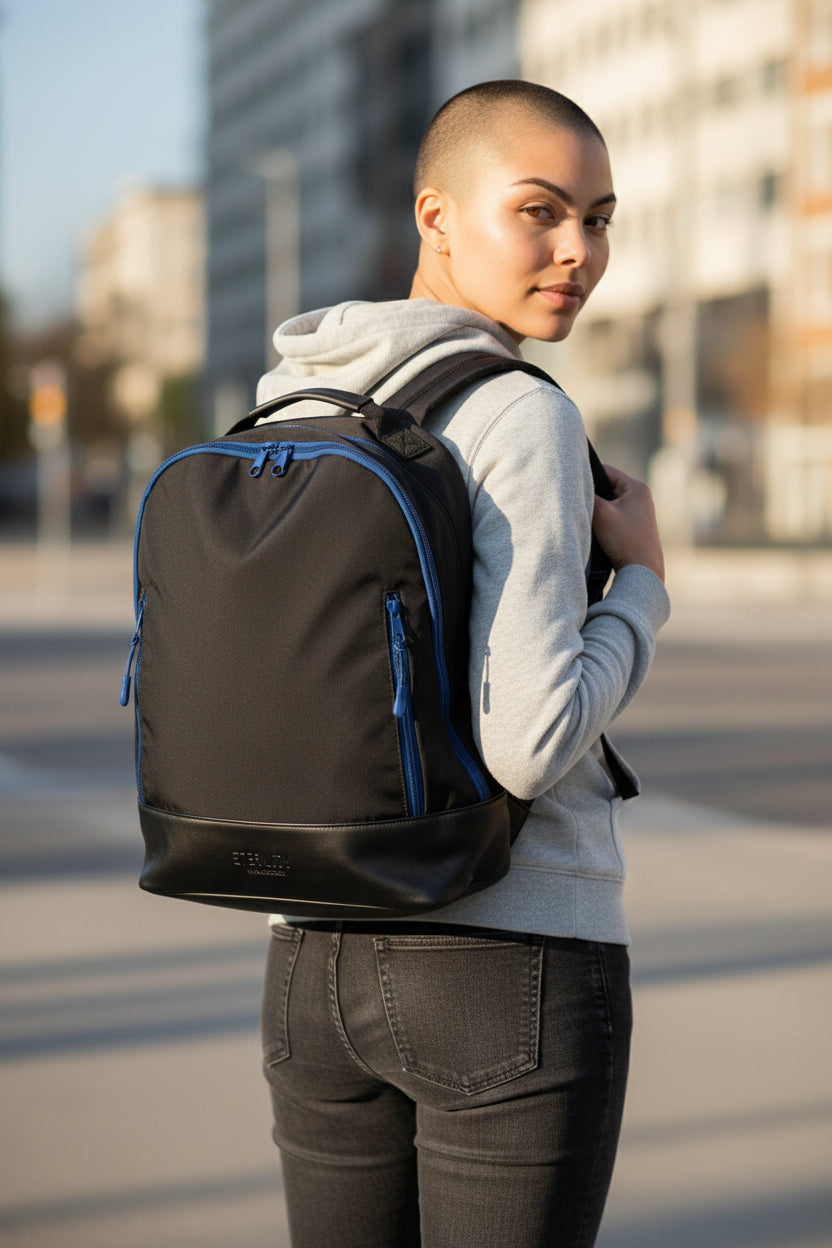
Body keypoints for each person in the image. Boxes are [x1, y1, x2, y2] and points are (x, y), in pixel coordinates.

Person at [256, 80, 669, 1248]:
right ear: (435, 215)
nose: (576, 251)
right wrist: (639, 585)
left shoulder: (297, 396)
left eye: (598, 217)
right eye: (538, 211)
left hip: (307, 960)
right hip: (512, 967)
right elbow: (529, 745)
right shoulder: (514, 411)